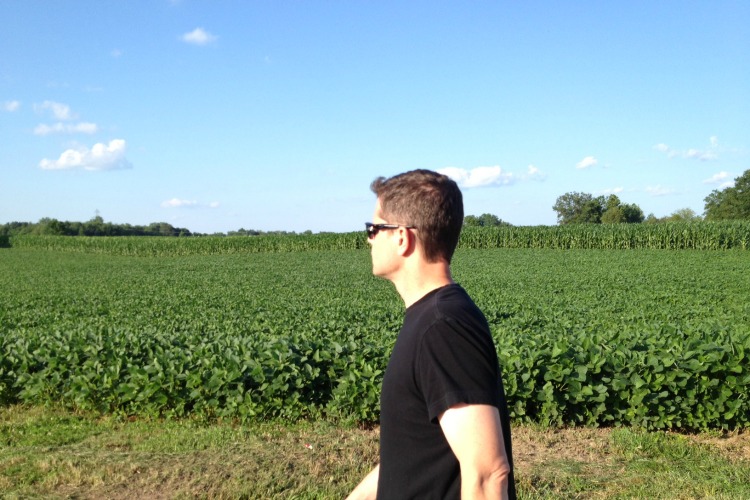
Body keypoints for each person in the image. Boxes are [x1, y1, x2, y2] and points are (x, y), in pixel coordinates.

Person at [347, 169, 516, 500]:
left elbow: (488, 474)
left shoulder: (443, 327)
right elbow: (411, 456)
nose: (368, 238)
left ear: (401, 238)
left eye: (373, 228)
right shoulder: (429, 318)